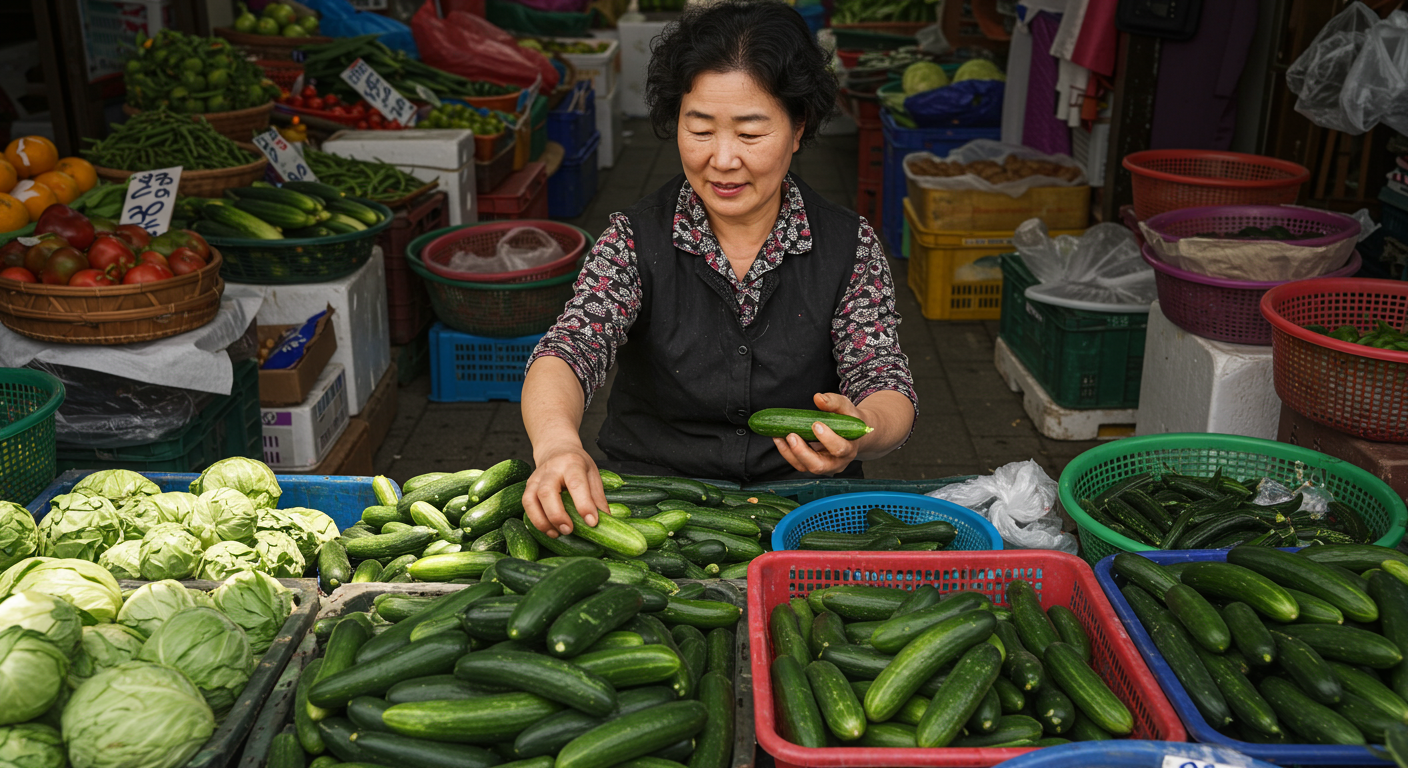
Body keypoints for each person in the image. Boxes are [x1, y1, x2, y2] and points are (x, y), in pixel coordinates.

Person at [520, 0, 917, 537]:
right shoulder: (632, 238)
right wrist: (559, 446)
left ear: (798, 129)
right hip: (653, 504)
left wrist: (863, 432)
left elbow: (885, 381)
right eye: (700, 129)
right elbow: (569, 349)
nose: (723, 159)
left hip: (805, 508)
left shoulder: (850, 245)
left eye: (751, 134)